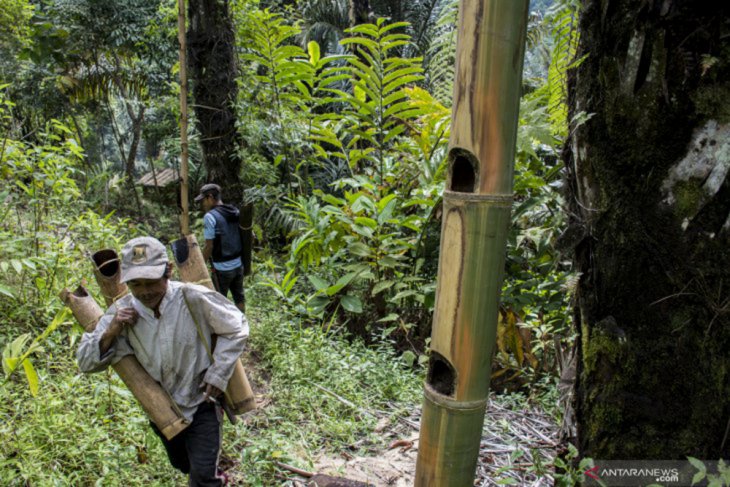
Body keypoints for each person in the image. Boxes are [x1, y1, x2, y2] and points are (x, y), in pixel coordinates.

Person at [77, 236, 248, 486]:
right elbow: (86, 363)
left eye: (151, 282)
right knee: (182, 463)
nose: (145, 291)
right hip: (163, 409)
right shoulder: (119, 314)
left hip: (203, 401)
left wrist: (218, 374)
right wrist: (111, 331)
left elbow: (237, 326)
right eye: (136, 284)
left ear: (167, 271)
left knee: (201, 477)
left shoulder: (191, 297)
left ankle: (211, 477)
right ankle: (213, 471)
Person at [194, 184, 246, 312]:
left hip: (222, 269)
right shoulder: (235, 211)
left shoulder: (210, 217)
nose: (203, 204)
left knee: (218, 301)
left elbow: (209, 246)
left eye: (203, 200)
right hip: (238, 265)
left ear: (210, 197)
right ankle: (242, 324)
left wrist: (201, 265)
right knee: (239, 297)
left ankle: (224, 329)